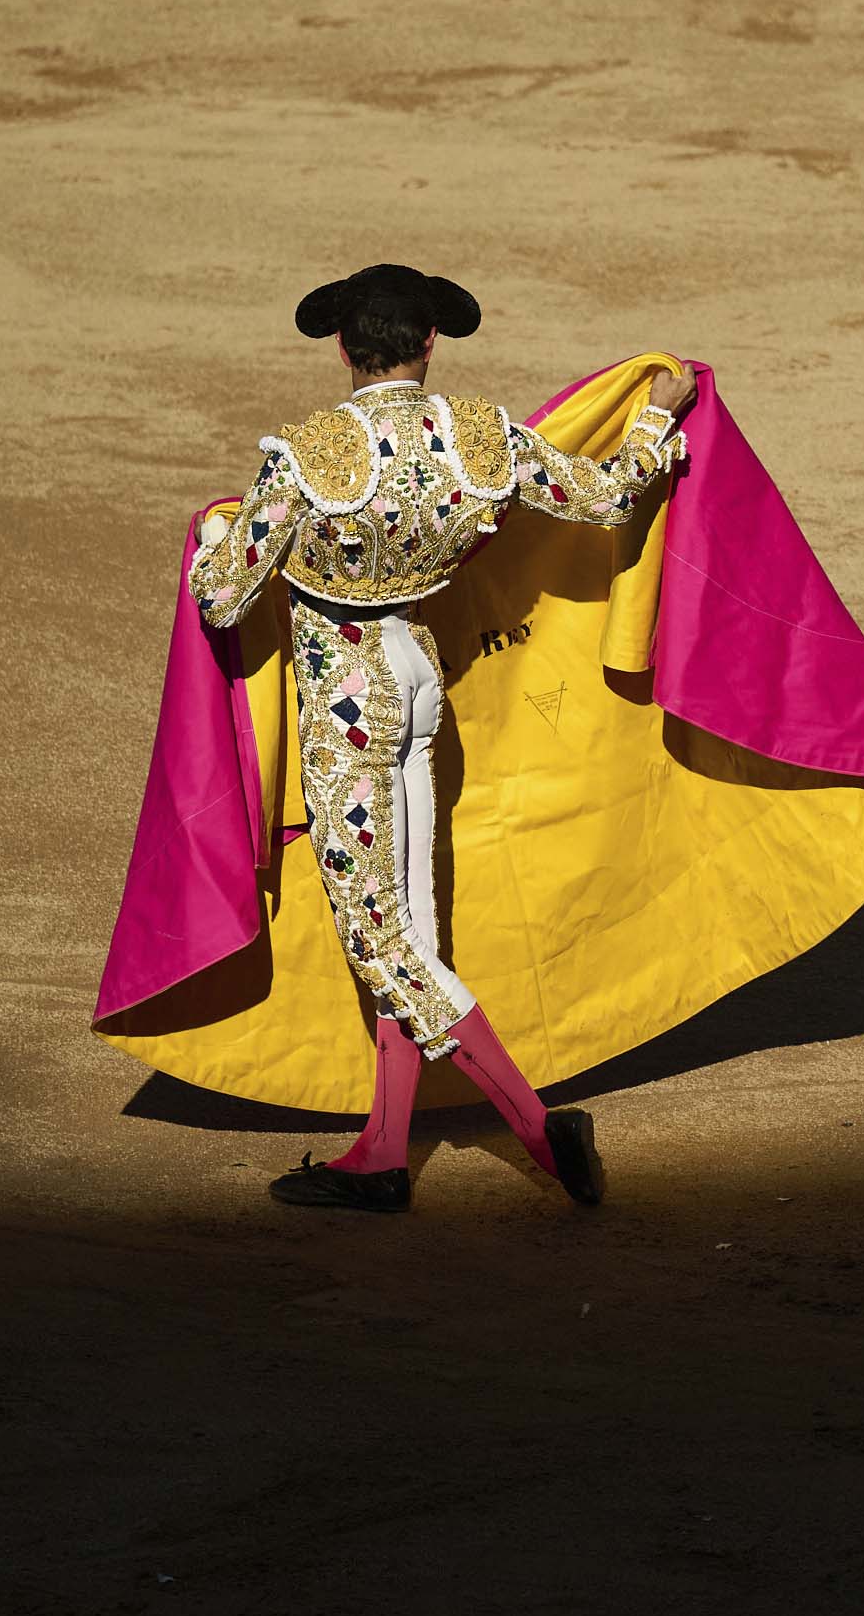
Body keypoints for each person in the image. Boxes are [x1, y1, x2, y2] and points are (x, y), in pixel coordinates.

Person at [186, 263, 691, 1213]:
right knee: (412, 923)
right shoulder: (483, 436)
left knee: (379, 938)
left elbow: (221, 594)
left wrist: (220, 530)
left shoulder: (304, 455)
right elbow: (610, 498)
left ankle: (539, 1129)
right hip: (420, 681)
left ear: (343, 347)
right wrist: (657, 417)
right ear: (430, 346)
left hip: (347, 700)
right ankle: (382, 1155)